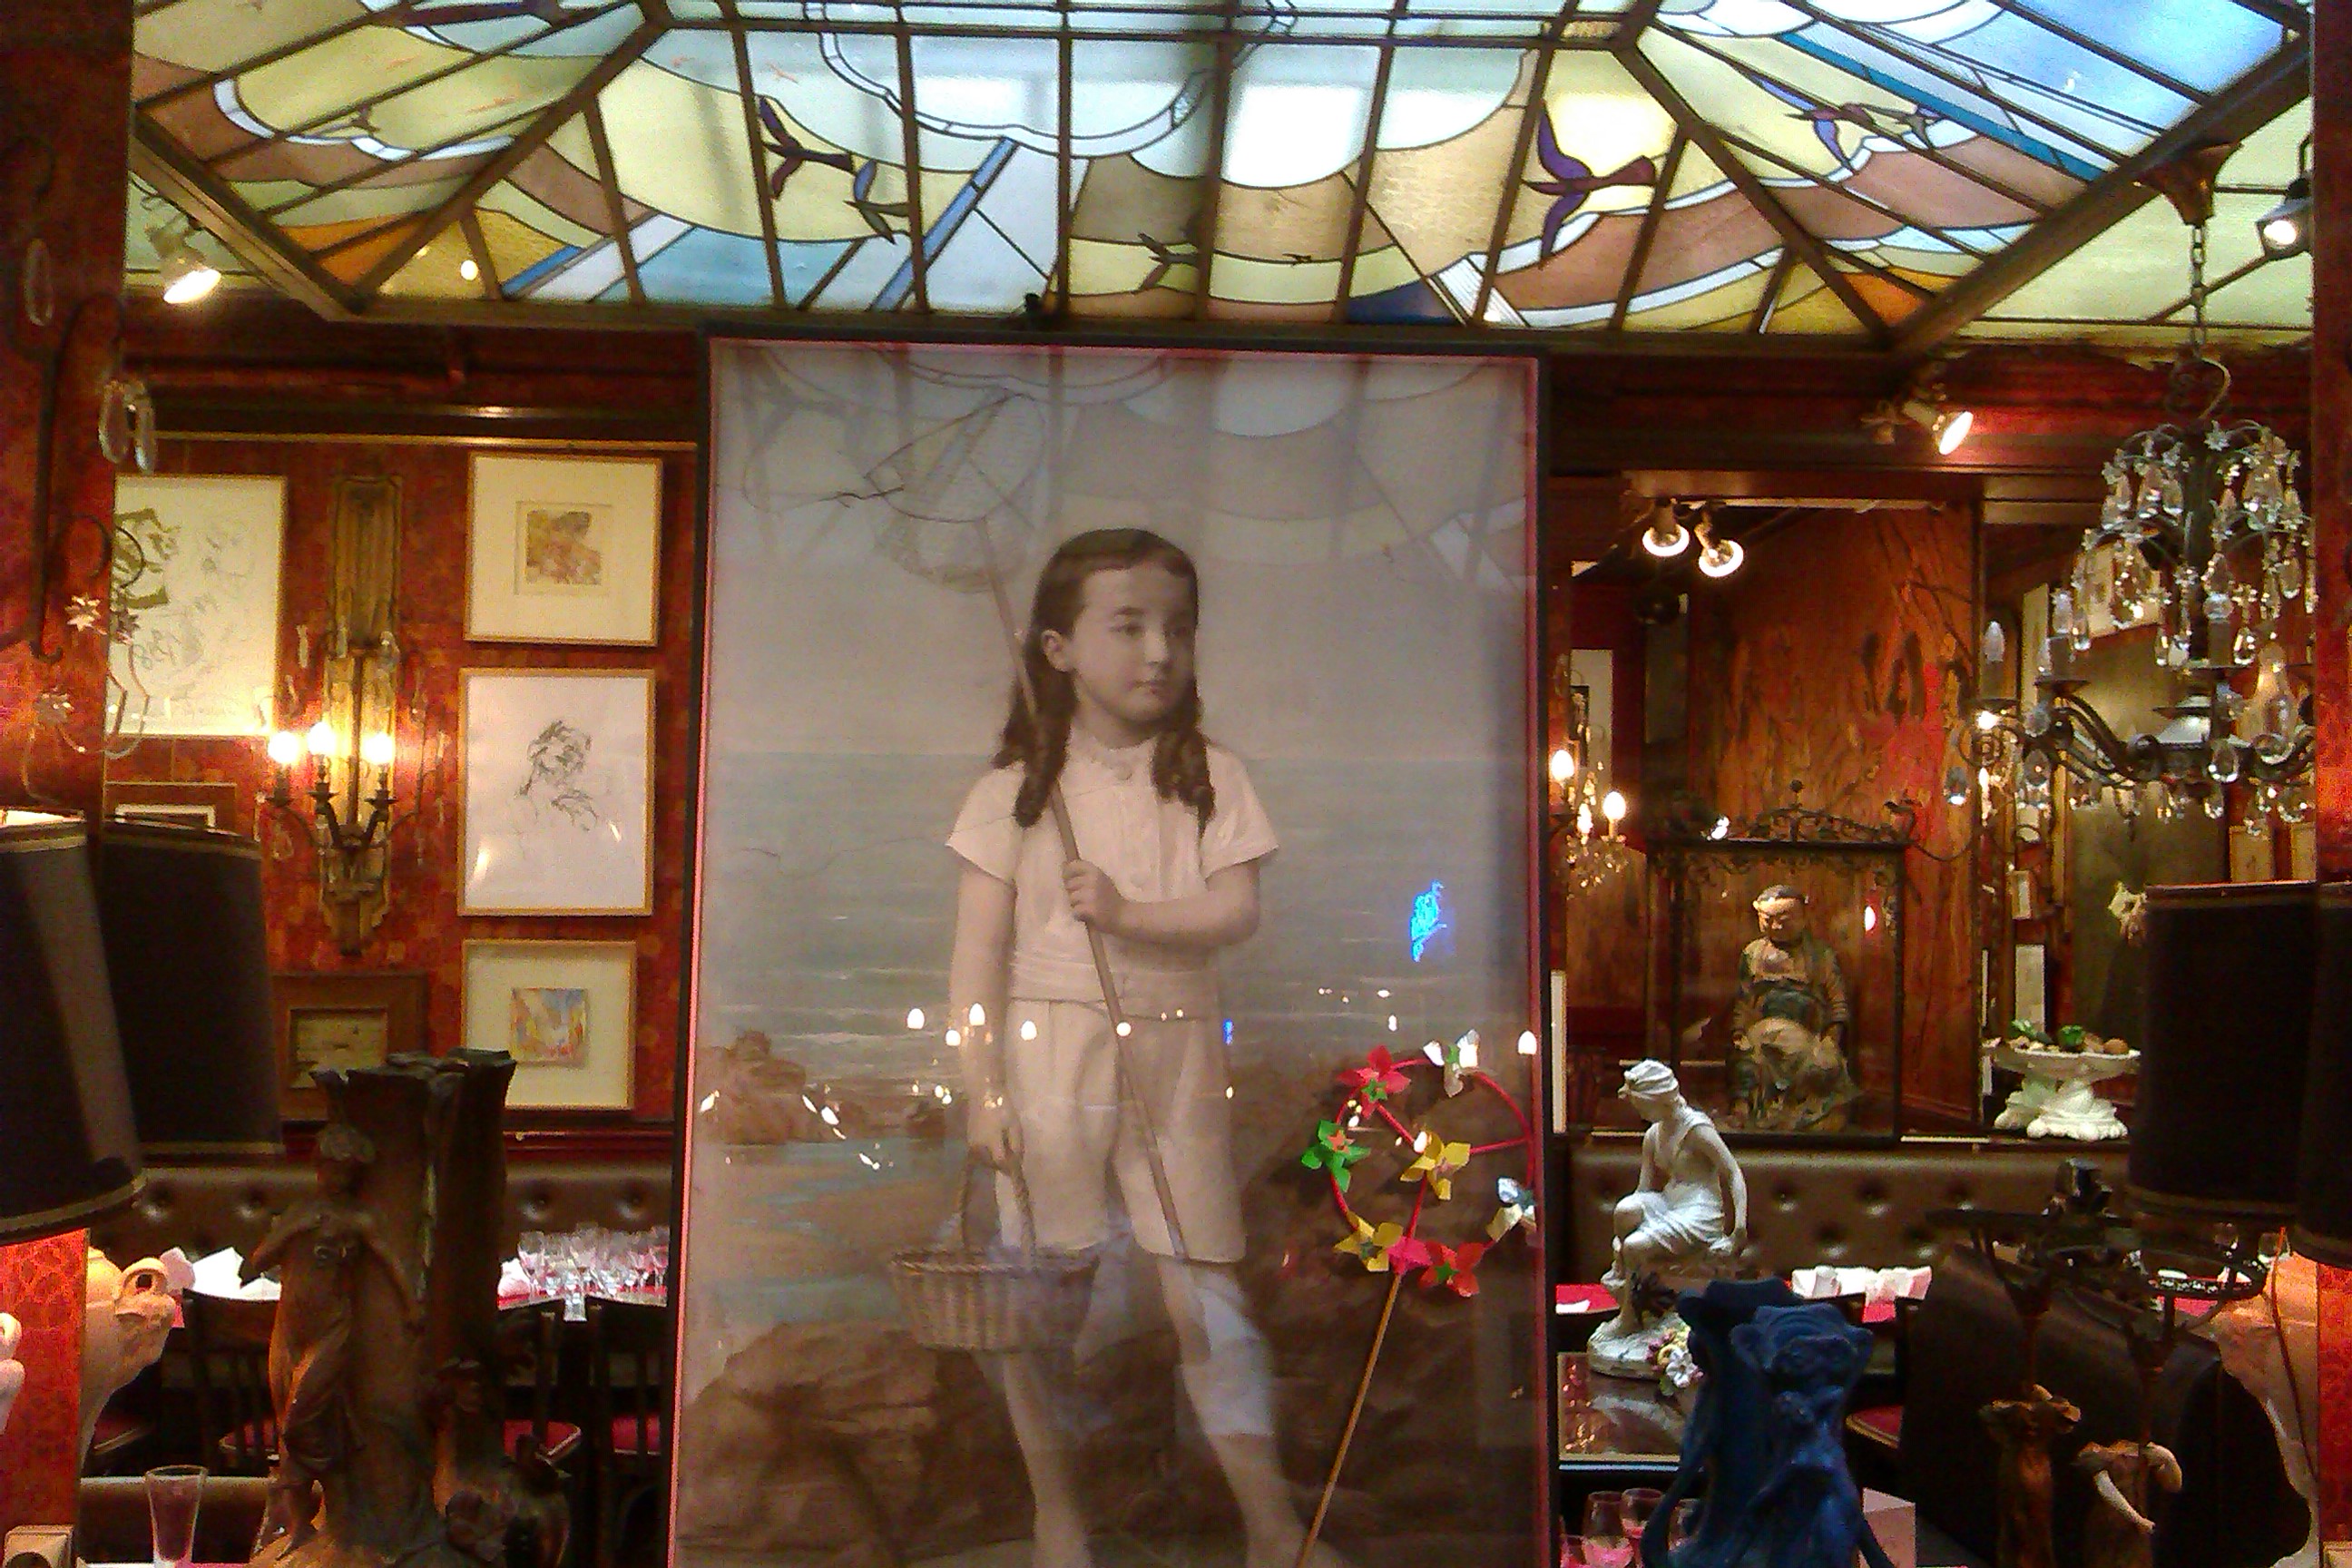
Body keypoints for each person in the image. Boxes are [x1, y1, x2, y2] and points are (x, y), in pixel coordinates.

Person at [945, 527, 1317, 1568]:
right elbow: (975, 960)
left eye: (1178, 629)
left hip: (1175, 1048)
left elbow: (1234, 910)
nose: (1159, 652)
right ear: (1058, 649)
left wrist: (1126, 912)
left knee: (1204, 1294)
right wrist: (983, 1092)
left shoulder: (1212, 777)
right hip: (1049, 1051)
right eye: (1129, 627)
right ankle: (1058, 1517)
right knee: (1040, 1300)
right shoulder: (1012, 792)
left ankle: (1271, 1527)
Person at [242, 1120, 423, 1550]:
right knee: (288, 1423)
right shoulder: (299, 1213)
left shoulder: (360, 1219)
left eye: (347, 1170)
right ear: (319, 1166)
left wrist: (411, 1308)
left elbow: (391, 1261)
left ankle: (333, 1488)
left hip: (331, 1329)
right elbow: (254, 1264)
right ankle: (298, 1526)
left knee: (299, 1420)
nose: (338, 1177)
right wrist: (295, 1229)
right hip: (289, 1329)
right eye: (331, 1167)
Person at [1589, 1060, 1748, 1377]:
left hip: (1699, 1211)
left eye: (1640, 1105)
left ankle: (1630, 1317)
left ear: (1658, 1099)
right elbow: (1644, 1189)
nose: (1638, 1112)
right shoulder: (1653, 1135)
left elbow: (1732, 1173)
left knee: (1635, 1246)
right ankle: (1625, 1275)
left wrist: (1738, 1229)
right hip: (1669, 1201)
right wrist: (1623, 1233)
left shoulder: (1697, 1130)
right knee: (1625, 1211)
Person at [1726, 884, 1857, 1131]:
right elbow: (1744, 1000)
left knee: (1823, 1067)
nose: (1776, 927)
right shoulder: (1753, 954)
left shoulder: (1820, 954)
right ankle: (1744, 1109)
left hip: (1807, 1036)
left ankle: (1805, 1115)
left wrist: (1831, 1039)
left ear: (1803, 918)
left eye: (1784, 920)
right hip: (1762, 1033)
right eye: (1768, 920)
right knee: (1747, 1063)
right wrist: (1739, 1032)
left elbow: (1837, 1003)